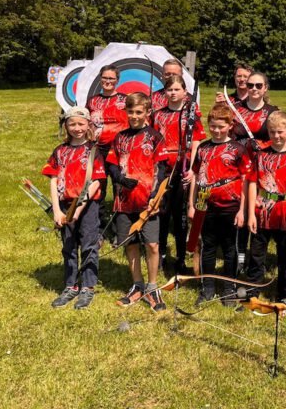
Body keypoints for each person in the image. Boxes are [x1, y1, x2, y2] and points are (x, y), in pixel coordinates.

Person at [106, 93, 168, 313]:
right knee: (130, 244)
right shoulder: (119, 137)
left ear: (147, 113)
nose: (134, 116)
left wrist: (155, 195)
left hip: (148, 200)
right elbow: (111, 164)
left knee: (151, 244)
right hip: (124, 201)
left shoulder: (155, 137)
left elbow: (162, 168)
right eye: (131, 112)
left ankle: (152, 287)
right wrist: (119, 178)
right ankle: (137, 285)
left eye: (139, 112)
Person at [188, 103, 253, 305]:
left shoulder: (238, 149)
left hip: (231, 206)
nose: (216, 131)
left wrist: (242, 210)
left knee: (229, 249)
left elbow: (245, 180)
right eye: (213, 126)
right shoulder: (204, 148)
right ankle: (207, 287)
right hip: (206, 205)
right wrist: (192, 205)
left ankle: (228, 288)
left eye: (221, 127)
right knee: (208, 246)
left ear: (230, 126)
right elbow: (196, 176)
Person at [42, 106, 107, 310]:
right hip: (64, 204)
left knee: (89, 245)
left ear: (88, 124)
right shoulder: (60, 151)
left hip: (87, 206)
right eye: (72, 124)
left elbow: (96, 182)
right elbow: (53, 180)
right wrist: (57, 210)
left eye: (81, 123)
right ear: (66, 125)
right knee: (68, 246)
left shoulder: (94, 151)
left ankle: (88, 287)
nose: (77, 128)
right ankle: (71, 285)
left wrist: (78, 209)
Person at [246, 111, 286, 302]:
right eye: (272, 132)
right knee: (257, 255)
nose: (276, 136)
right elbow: (252, 184)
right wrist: (250, 214)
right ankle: (253, 291)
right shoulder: (261, 155)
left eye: (280, 131)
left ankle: (285, 294)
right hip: (262, 211)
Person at [152, 75, 206, 274]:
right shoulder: (158, 115)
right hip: (164, 170)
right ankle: (161, 255)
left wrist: (192, 170)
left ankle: (181, 258)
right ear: (165, 93)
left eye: (177, 89)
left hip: (184, 170)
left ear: (185, 92)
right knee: (162, 213)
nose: (173, 93)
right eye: (169, 90)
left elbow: (198, 142)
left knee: (181, 215)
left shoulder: (191, 115)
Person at [230, 71, 279, 271]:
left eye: (259, 85)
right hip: (239, 168)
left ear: (265, 88)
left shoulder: (272, 112)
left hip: (262, 169)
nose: (254, 89)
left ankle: (258, 260)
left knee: (259, 214)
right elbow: (229, 138)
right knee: (240, 213)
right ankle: (240, 258)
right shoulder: (236, 109)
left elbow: (278, 140)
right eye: (250, 85)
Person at [87, 64, 129, 240]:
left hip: (120, 151)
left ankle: (120, 231)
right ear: (100, 78)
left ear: (117, 80)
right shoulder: (93, 101)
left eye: (112, 78)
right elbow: (87, 123)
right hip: (99, 150)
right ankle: (99, 229)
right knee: (98, 189)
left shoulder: (126, 100)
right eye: (105, 78)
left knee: (120, 189)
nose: (108, 81)